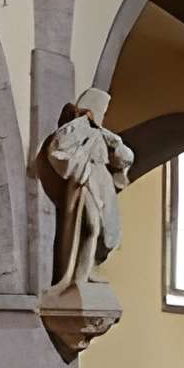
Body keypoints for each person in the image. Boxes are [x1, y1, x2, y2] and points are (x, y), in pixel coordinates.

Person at [42, 88, 132, 293]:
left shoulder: (102, 135)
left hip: (102, 181)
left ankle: (87, 268)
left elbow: (126, 158)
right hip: (85, 179)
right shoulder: (77, 129)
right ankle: (78, 277)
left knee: (102, 229)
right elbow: (57, 148)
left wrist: (114, 142)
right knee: (90, 225)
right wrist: (82, 126)